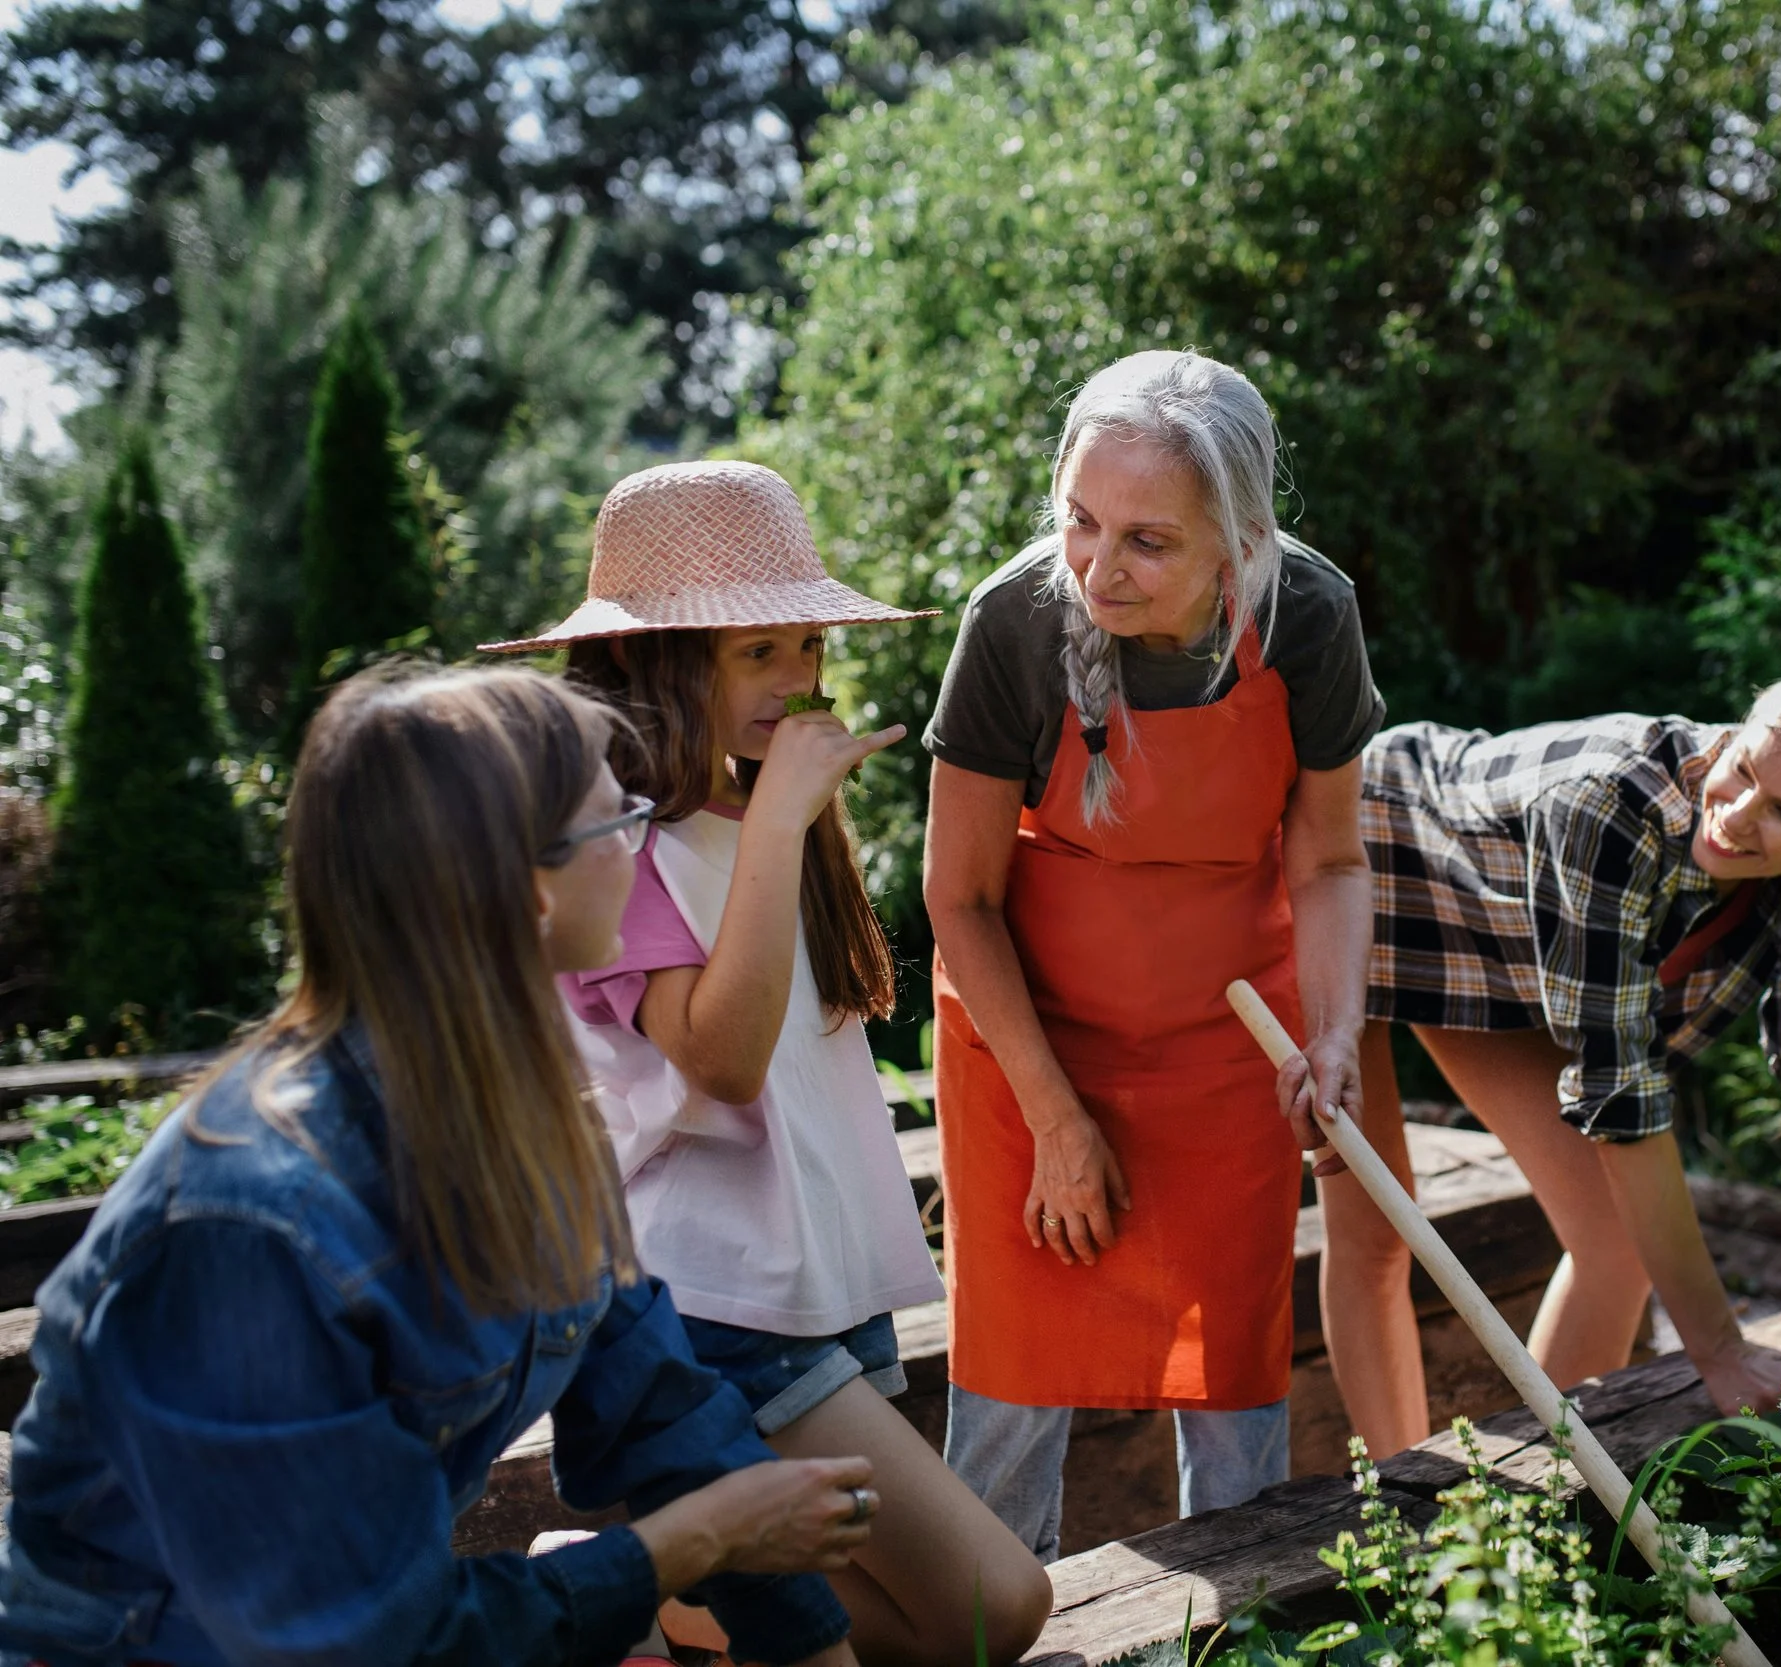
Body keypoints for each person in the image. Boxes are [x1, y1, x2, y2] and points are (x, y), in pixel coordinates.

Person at [0, 665, 881, 1667]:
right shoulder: (249, 1221)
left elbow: (661, 1406)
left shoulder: (529, 1116)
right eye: (615, 822)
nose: (638, 846)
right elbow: (360, 1642)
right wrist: (688, 1544)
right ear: (523, 888)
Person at [482, 462, 1053, 1661]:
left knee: (920, 1629)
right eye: (760, 650)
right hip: (716, 1303)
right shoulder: (617, 847)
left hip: (819, 1281)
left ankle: (657, 1595)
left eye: (807, 643)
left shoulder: (751, 813)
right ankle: (637, 1588)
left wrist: (781, 818)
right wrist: (786, 818)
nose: (799, 679)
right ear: (649, 659)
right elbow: (724, 1064)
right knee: (997, 1605)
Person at [921, 349, 1382, 1561]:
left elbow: (1329, 861)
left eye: (1147, 540)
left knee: (1234, 1381)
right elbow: (958, 898)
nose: (1098, 567)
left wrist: (1332, 1032)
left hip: (1227, 1044)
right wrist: (1057, 1120)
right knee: (1014, 1396)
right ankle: (988, 1634)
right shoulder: (1011, 624)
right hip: (1028, 1040)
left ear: (1238, 537)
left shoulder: (1310, 617)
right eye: (1080, 521)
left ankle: (1240, 1631)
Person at [1324, 658, 1781, 1450]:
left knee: (1612, 1247)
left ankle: (1547, 1504)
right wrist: (1718, 1347)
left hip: (1507, 951)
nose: (1739, 816)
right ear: (1741, 727)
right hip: (1375, 853)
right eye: (1741, 769)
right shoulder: (1608, 805)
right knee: (1375, 1225)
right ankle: (1397, 1517)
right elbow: (1621, 1101)